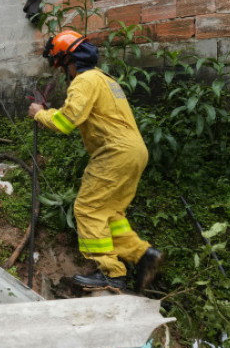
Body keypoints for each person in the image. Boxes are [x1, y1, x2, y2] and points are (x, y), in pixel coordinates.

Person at [28, 29, 163, 292]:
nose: (62, 73)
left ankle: (111, 274)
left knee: (87, 208)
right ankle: (144, 255)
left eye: (61, 66)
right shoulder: (105, 79)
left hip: (114, 153)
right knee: (110, 214)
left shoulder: (84, 81)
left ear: (70, 62)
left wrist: (40, 114)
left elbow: (67, 121)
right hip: (134, 152)